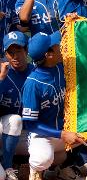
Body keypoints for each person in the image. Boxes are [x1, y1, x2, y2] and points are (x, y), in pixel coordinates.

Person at [21, 31, 87, 180]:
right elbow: (30, 124)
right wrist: (62, 134)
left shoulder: (60, 67)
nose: (59, 45)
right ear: (49, 55)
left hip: (63, 132)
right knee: (42, 159)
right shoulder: (33, 84)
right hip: (42, 136)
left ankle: (60, 166)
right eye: (55, 45)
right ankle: (35, 171)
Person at [0, 31, 33, 180]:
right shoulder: (1, 72)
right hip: (2, 129)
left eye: (18, 50)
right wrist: (1, 79)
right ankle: (7, 165)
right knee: (15, 120)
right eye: (10, 52)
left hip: (21, 134)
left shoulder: (36, 72)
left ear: (26, 50)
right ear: (5, 55)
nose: (15, 56)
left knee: (57, 154)